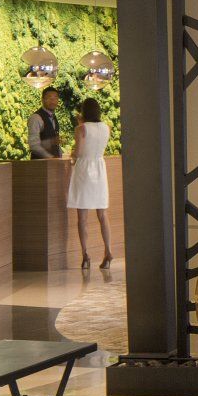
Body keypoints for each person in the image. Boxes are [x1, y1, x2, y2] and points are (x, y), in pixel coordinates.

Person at [67, 97, 113, 271]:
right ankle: (108, 252)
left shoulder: (81, 128)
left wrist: (72, 155)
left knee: (83, 217)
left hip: (84, 170)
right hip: (100, 169)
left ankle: (85, 255)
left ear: (84, 112)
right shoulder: (106, 128)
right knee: (102, 214)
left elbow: (78, 152)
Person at [26, 90, 63, 159]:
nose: (53, 101)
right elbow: (33, 145)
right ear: (42, 100)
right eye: (49, 98)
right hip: (39, 166)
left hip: (53, 165)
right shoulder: (36, 118)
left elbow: (54, 145)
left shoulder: (54, 117)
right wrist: (51, 158)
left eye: (55, 98)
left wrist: (60, 157)